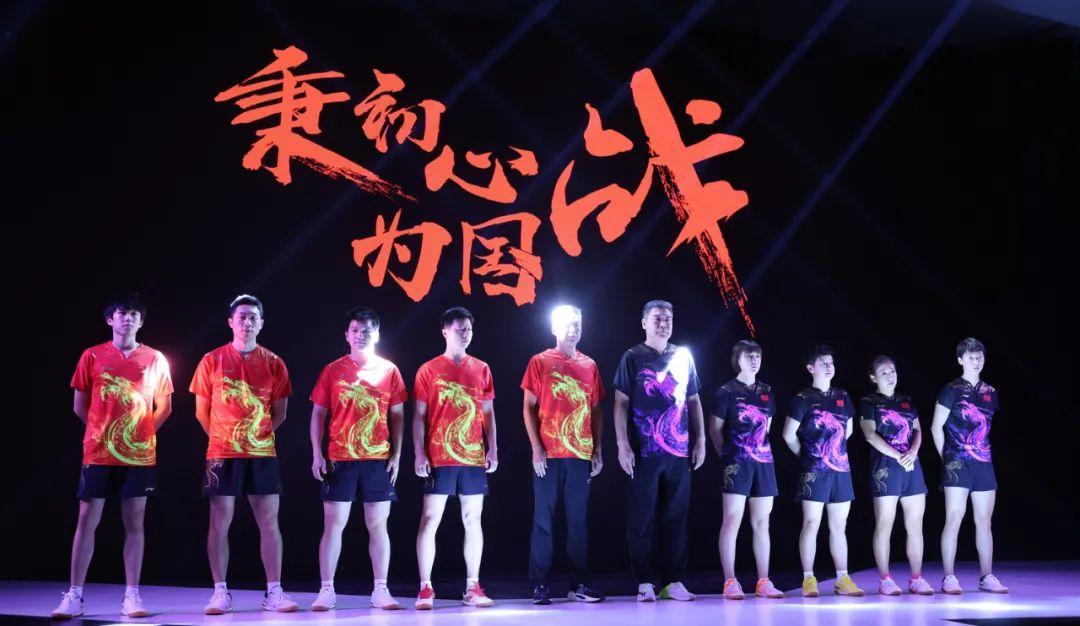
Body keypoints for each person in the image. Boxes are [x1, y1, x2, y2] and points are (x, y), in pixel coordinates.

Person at [52, 294, 174, 619]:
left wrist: (141, 433)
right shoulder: (91, 355)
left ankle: (132, 596)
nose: (128, 318)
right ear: (110, 320)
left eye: (134, 314)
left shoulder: (155, 358)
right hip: (98, 453)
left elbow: (164, 406)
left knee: (135, 522)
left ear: (141, 322)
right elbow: (80, 405)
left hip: (139, 456)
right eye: (122, 313)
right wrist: (102, 432)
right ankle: (74, 595)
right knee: (86, 520)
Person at [190, 294, 297, 614]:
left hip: (262, 454)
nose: (247, 322)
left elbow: (280, 413)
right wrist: (225, 438)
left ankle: (274, 591)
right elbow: (201, 412)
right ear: (230, 322)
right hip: (222, 453)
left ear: (261, 323)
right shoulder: (211, 360)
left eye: (253, 317)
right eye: (242, 317)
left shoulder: (274, 362)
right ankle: (220, 592)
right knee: (219, 522)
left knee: (269, 522)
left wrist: (255, 437)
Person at [309, 307, 407, 611]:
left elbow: (398, 415)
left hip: (377, 459)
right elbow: (318, 414)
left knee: (378, 526)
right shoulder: (332, 370)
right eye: (355, 330)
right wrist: (317, 453)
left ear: (377, 334)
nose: (360, 335)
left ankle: (381, 590)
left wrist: (397, 453)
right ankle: (326, 590)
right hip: (339, 458)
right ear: (346, 335)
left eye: (366, 331)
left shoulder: (389, 370)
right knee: (333, 525)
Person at [613, 300, 706, 602]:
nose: (663, 323)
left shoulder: (683, 356)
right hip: (645, 452)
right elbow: (620, 402)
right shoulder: (632, 357)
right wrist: (622, 444)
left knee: (676, 519)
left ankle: (673, 581)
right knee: (642, 519)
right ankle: (645, 581)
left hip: (678, 452)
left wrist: (701, 440)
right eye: (657, 319)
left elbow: (694, 400)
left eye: (668, 319)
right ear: (644, 323)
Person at [413, 307, 498, 609]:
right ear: (445, 331)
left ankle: (472, 586)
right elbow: (419, 415)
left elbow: (488, 412)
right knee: (430, 519)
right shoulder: (428, 370)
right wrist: (419, 452)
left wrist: (493, 447)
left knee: (473, 519)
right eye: (460, 328)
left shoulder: (482, 368)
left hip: (473, 456)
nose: (465, 333)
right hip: (439, 456)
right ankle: (425, 587)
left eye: (469, 329)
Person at [522, 305, 606, 604]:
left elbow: (596, 409)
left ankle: (579, 583)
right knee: (543, 519)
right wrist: (536, 448)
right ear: (554, 328)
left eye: (578, 324)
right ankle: (539, 584)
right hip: (548, 454)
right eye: (568, 325)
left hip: (580, 454)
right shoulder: (540, 361)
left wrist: (597, 448)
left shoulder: (589, 365)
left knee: (578, 520)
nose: (574, 330)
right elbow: (528, 407)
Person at [782, 345, 864, 597]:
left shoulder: (842, 396)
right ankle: (809, 579)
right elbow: (788, 434)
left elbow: (849, 430)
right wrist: (809, 456)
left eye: (831, 362)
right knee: (811, 523)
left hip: (840, 470)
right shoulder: (802, 398)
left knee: (839, 525)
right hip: (814, 471)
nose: (829, 367)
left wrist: (833, 454)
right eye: (823, 363)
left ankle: (843, 578)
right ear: (811, 368)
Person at [931, 337, 1007, 594]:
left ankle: (987, 576)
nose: (976, 361)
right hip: (957, 461)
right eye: (971, 357)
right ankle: (949, 577)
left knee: (984, 521)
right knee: (953, 518)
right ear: (960, 360)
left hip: (983, 462)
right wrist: (947, 459)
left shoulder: (990, 392)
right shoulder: (951, 389)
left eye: (979, 357)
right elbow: (936, 427)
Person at [709, 340, 783, 600]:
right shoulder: (725, 392)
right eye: (749, 356)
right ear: (737, 360)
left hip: (764, 463)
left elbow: (767, 427)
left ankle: (764, 581)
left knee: (762, 522)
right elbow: (715, 431)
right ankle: (730, 581)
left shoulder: (767, 391)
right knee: (732, 520)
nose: (754, 360)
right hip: (736, 463)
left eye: (757, 356)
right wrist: (729, 458)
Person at [859, 355, 933, 595]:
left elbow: (918, 430)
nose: (890, 376)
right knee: (885, 523)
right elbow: (870, 435)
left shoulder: (906, 401)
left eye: (892, 371)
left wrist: (912, 452)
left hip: (911, 467)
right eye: (883, 372)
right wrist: (898, 455)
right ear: (873, 378)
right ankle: (885, 579)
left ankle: (916, 578)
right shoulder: (869, 402)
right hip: (885, 468)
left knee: (915, 525)